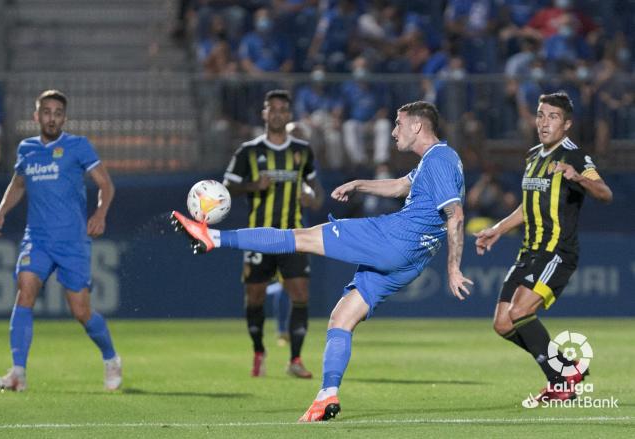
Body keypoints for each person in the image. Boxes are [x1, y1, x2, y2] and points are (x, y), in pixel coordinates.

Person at [171, 100, 472, 422]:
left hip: (394, 237)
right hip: (412, 259)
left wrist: (454, 268)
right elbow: (402, 185)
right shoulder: (441, 158)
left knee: (300, 238)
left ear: (417, 126)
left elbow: (455, 215)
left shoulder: (438, 160)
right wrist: (359, 184)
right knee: (341, 318)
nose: (395, 131)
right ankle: (326, 395)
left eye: (398, 124)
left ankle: (213, 238)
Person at [474, 92, 613, 403]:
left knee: (521, 311)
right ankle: (565, 369)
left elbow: (605, 193)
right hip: (529, 250)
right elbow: (526, 208)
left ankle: (561, 380)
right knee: (502, 323)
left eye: (552, 117)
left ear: (566, 125)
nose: (544, 122)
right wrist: (496, 230)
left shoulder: (574, 156)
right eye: (540, 115)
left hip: (557, 251)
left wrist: (578, 177)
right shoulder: (534, 155)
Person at [0, 90, 122, 392]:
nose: (52, 117)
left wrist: (100, 213)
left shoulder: (78, 146)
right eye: (46, 112)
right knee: (25, 291)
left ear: (64, 117)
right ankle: (18, 373)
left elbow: (105, 184)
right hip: (37, 239)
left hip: (72, 242)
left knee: (80, 311)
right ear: (37, 116)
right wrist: (0, 214)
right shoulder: (27, 149)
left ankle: (111, 358)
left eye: (58, 112)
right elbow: (18, 184)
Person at [222, 89, 324, 379]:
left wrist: (312, 199)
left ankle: (295, 359)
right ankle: (258, 351)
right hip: (258, 236)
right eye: (272, 109)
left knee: (300, 293)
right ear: (264, 114)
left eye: (283, 109)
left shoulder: (302, 151)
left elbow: (316, 189)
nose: (277, 113)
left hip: (293, 236)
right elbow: (225, 188)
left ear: (289, 115)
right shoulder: (248, 151)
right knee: (255, 296)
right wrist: (253, 186)